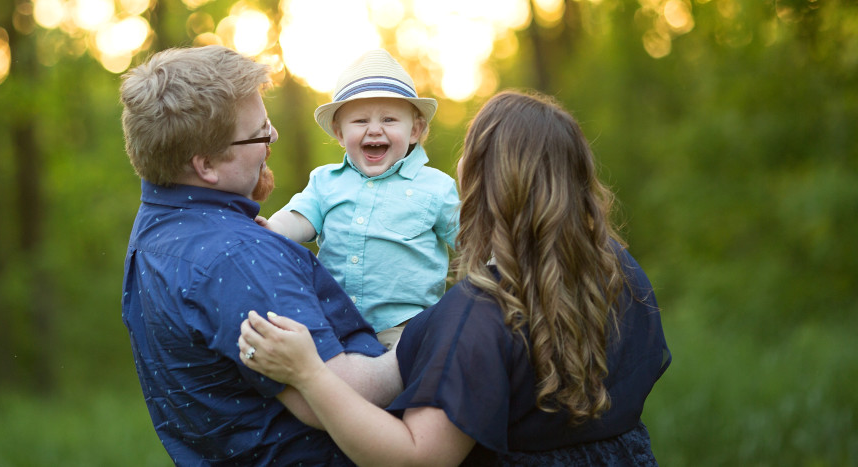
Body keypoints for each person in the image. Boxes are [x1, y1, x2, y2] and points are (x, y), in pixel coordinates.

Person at [239, 89, 672, 466]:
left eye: (469, 151)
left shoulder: (477, 312)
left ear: (481, 179)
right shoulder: (617, 267)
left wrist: (306, 374)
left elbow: (416, 456)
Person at [119, 45, 401, 466]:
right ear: (207, 165)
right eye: (259, 132)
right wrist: (440, 328)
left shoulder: (155, 228)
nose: (272, 138)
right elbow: (339, 394)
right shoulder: (237, 257)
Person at [262, 49, 459, 348]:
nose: (375, 129)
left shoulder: (436, 187)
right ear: (340, 134)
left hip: (405, 329)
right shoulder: (326, 181)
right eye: (360, 121)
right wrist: (272, 230)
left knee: (398, 385)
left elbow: (472, 237)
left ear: (415, 130)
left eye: (390, 119)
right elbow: (300, 216)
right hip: (332, 321)